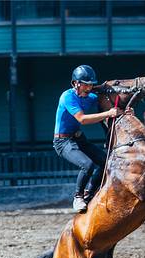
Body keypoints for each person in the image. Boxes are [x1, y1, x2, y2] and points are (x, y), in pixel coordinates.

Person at [53, 65, 126, 213]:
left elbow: (108, 104)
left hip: (79, 138)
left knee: (106, 162)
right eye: (85, 84)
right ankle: (78, 197)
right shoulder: (67, 97)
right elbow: (82, 119)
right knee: (87, 165)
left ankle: (89, 193)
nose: (89, 88)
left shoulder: (91, 97)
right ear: (75, 83)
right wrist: (109, 113)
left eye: (91, 84)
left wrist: (124, 111)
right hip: (63, 142)